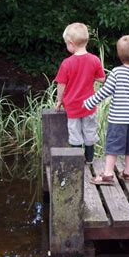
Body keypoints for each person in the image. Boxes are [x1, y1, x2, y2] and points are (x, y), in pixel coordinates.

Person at [84, 35, 129, 185]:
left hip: (117, 120)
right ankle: (128, 172)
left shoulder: (116, 72)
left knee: (113, 146)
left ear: (120, 56)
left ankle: (108, 174)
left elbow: (104, 92)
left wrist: (89, 102)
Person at [54, 22, 105, 164]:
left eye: (66, 43)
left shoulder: (67, 63)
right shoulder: (94, 59)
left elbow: (61, 85)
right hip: (90, 106)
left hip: (73, 107)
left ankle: (77, 163)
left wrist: (59, 100)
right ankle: (89, 160)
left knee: (75, 134)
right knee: (89, 133)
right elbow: (101, 79)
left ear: (71, 43)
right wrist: (89, 74)